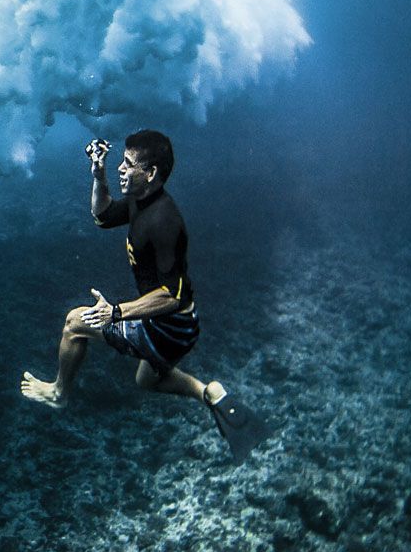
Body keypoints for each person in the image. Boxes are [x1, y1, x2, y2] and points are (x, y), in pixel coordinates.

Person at [19, 130, 266, 459]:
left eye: (128, 164)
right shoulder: (141, 200)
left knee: (75, 322)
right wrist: (98, 173)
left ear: (150, 173)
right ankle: (211, 394)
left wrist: (117, 312)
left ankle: (58, 394)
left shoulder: (163, 221)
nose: (121, 168)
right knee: (147, 380)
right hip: (176, 327)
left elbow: (171, 296)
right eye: (121, 161)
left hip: (168, 328)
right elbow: (102, 215)